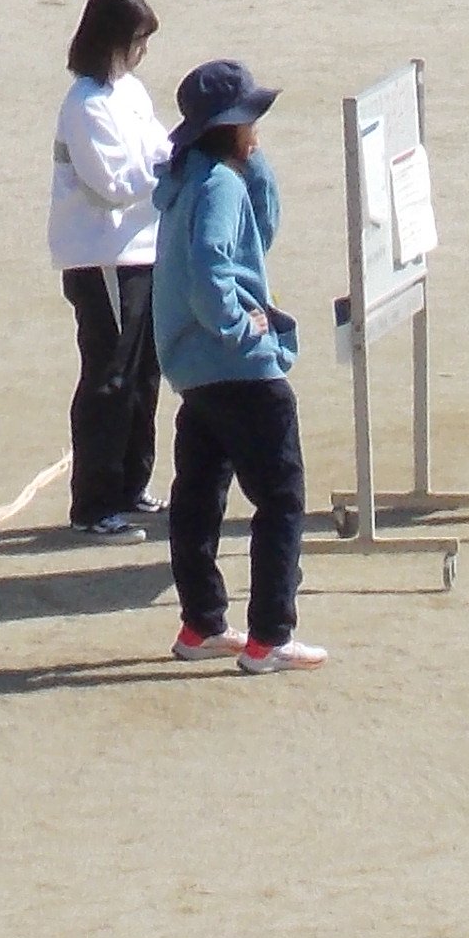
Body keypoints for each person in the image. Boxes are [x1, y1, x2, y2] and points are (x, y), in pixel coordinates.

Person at [151, 59, 322, 673]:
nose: (258, 130)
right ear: (229, 126)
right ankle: (270, 637)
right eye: (251, 120)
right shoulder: (220, 183)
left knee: (198, 496)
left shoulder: (189, 179)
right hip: (242, 371)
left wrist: (253, 159)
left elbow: (260, 229)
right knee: (281, 498)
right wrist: (237, 326)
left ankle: (201, 625)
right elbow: (211, 268)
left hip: (194, 374)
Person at [48, 0, 169, 538]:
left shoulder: (131, 92)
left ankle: (130, 485)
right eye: (138, 39)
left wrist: (179, 155)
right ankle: (94, 505)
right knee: (109, 375)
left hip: (143, 252)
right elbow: (114, 184)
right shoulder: (85, 105)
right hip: (102, 258)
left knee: (145, 373)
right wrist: (169, 171)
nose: (143, 50)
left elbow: (159, 147)